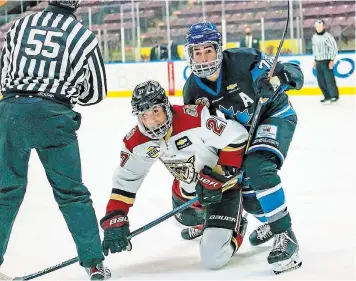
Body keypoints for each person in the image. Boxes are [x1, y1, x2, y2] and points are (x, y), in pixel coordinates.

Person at [0, 1, 110, 280]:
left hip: (11, 112)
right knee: (72, 193)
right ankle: (93, 262)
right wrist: (67, 93)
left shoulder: (19, 24)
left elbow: (4, 73)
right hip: (54, 116)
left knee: (5, 193)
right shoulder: (82, 35)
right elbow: (96, 92)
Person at [183, 22, 304, 274]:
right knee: (250, 200)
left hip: (274, 116)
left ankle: (286, 237)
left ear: (219, 49)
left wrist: (275, 80)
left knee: (258, 167)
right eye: (197, 52)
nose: (203, 58)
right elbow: (203, 137)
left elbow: (296, 73)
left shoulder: (244, 60)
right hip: (240, 137)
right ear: (189, 54)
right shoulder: (192, 90)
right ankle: (272, 221)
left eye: (208, 50)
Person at [100, 80, 249, 270]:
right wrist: (116, 215)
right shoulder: (136, 142)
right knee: (182, 221)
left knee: (214, 258)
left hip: (222, 189)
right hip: (190, 190)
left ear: (166, 106)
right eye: (144, 115)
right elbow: (125, 181)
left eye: (156, 111)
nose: (152, 121)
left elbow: (237, 135)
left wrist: (219, 175)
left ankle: (237, 226)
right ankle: (204, 221)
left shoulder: (195, 118)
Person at [312, 19, 339, 104]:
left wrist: (332, 60)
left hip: (326, 61)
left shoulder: (328, 36)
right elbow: (314, 49)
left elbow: (334, 48)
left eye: (320, 26)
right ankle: (326, 96)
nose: (318, 28)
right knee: (321, 80)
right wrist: (315, 60)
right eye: (317, 26)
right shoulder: (314, 37)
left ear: (323, 26)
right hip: (318, 61)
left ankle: (334, 96)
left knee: (329, 79)